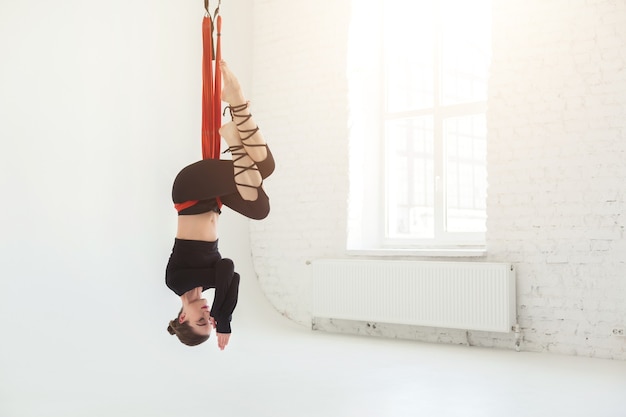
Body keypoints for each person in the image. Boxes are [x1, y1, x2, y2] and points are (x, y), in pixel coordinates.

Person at [165, 61, 275, 349]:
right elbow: (231, 273)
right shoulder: (210, 284)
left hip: (190, 189)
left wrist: (223, 318)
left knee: (262, 173)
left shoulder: (176, 281)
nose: (207, 316)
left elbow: (225, 268)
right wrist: (222, 315)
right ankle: (236, 107)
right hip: (212, 197)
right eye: (209, 322)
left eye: (200, 321)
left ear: (181, 317)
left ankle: (236, 121)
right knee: (260, 205)